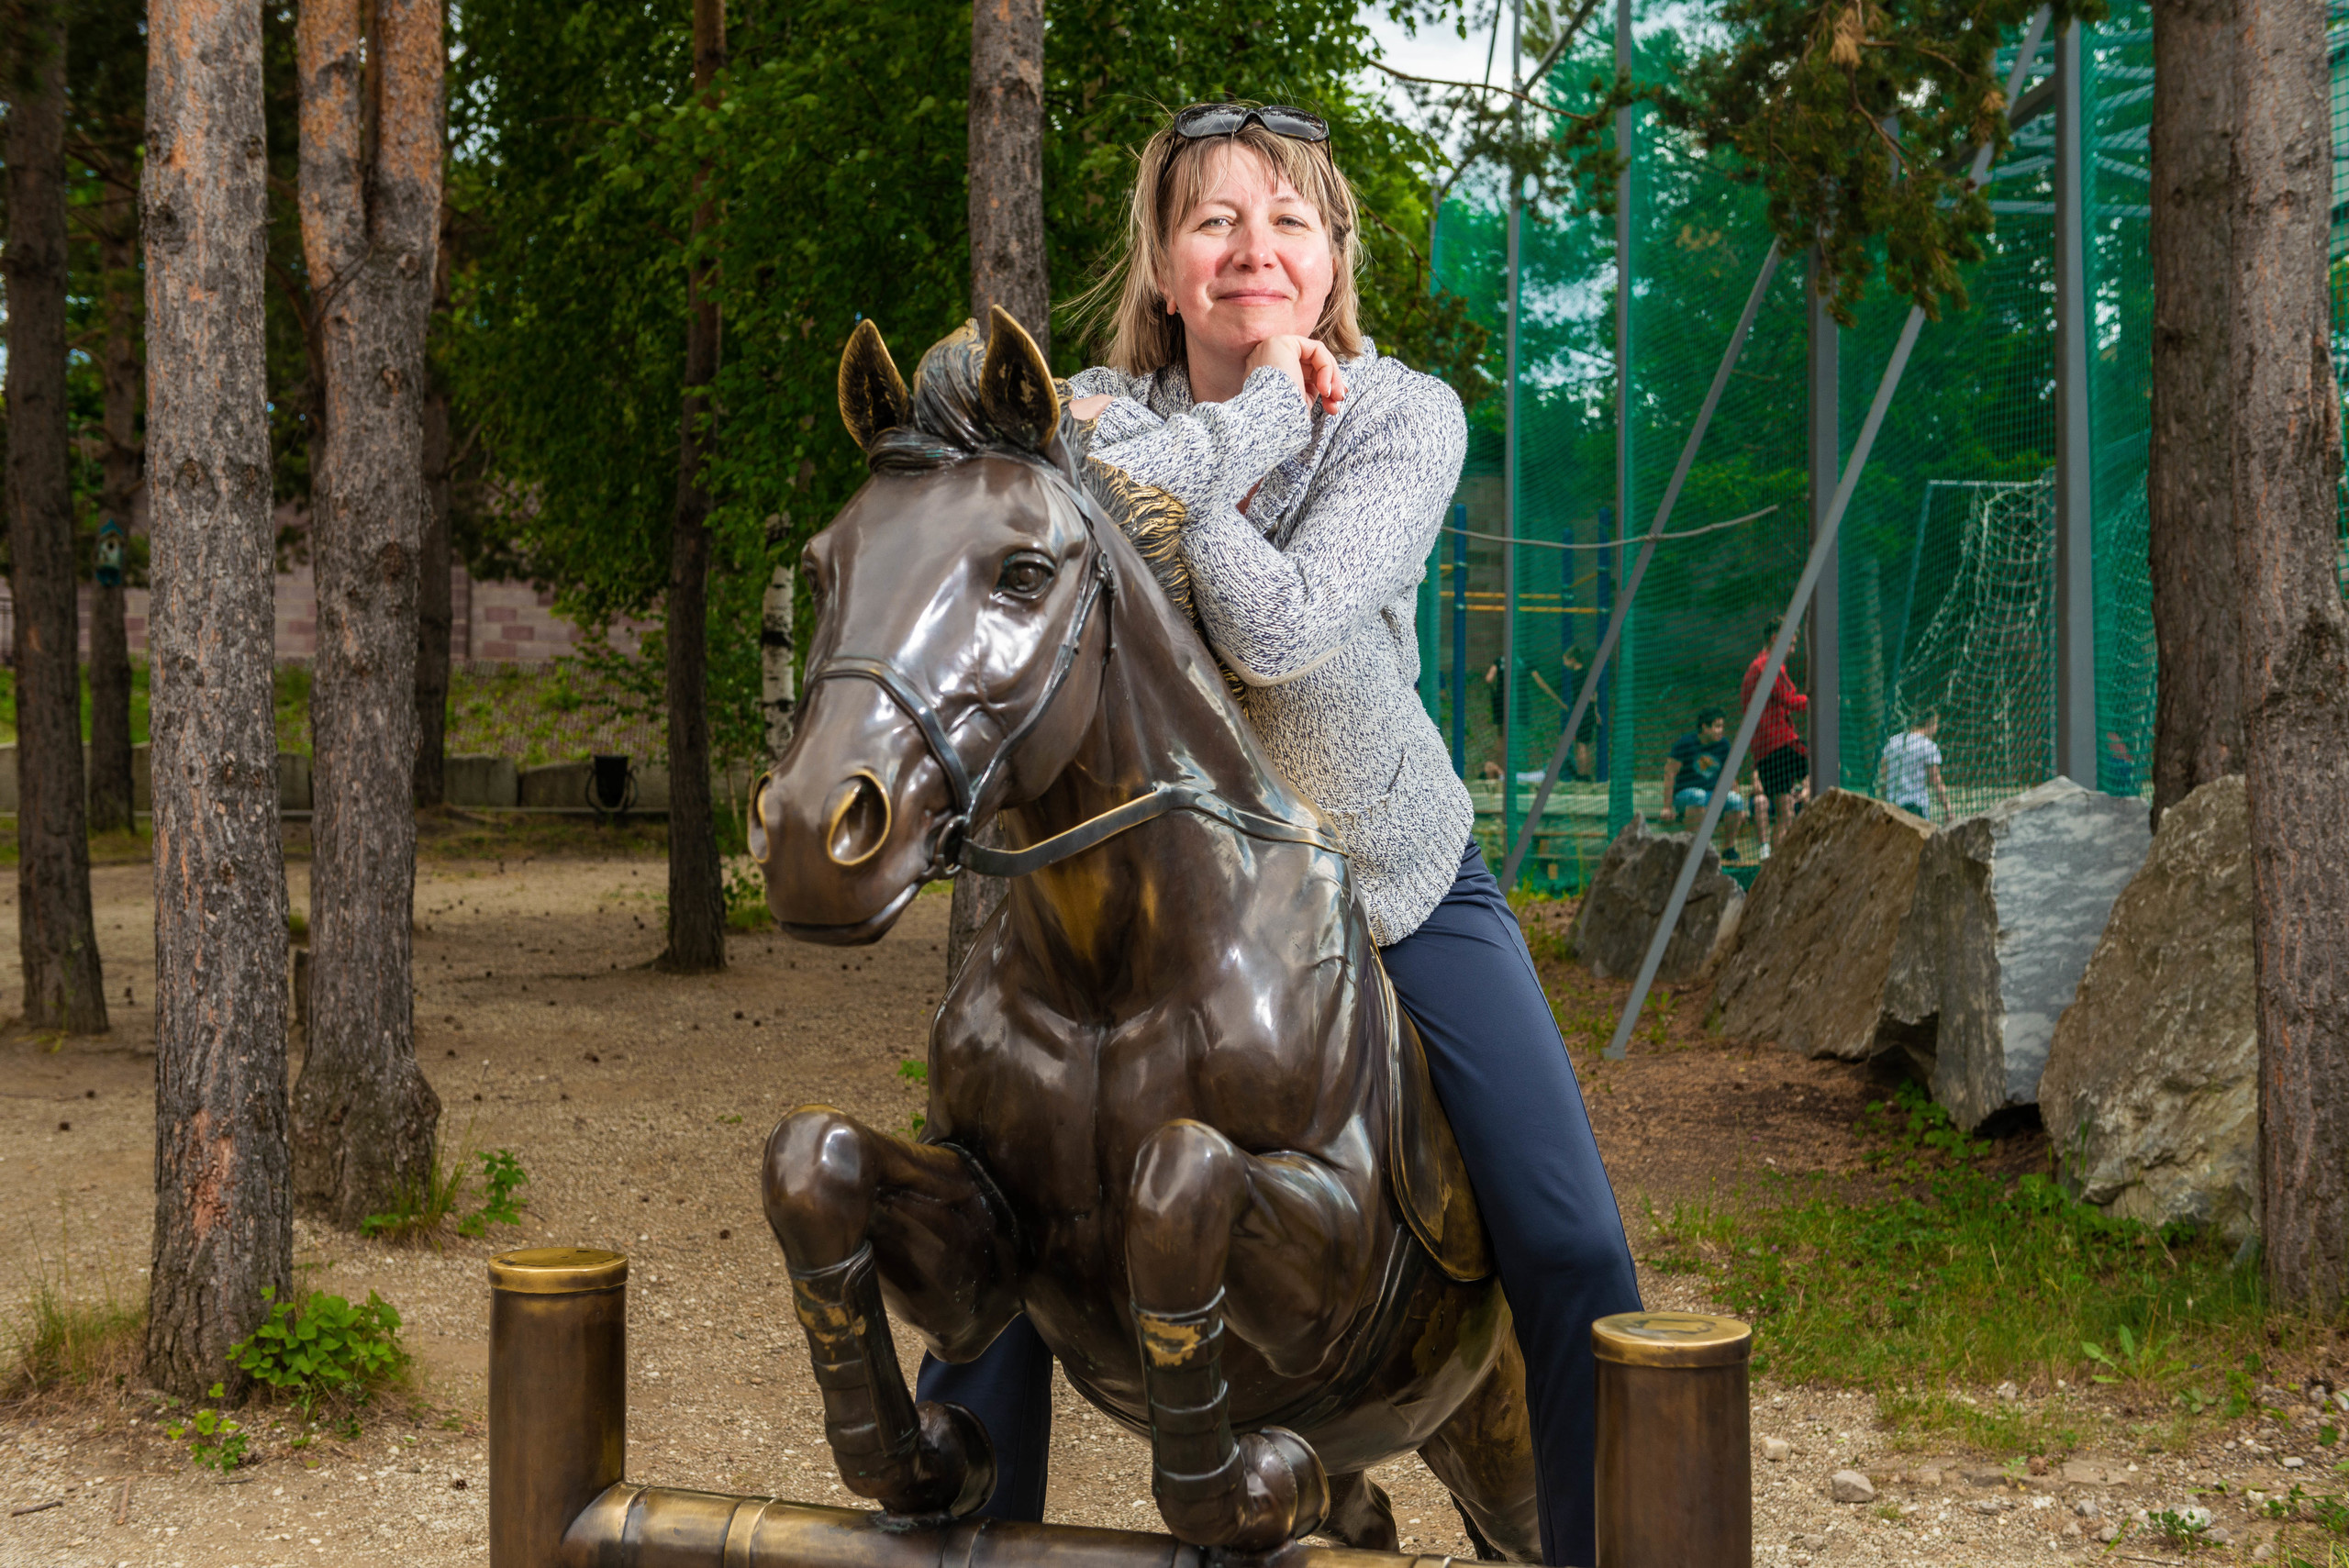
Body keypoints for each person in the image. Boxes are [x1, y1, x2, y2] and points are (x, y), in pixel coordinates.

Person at [930, 101, 1642, 1567]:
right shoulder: (1087, 404)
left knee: (1572, 1241)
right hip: (1149, 901)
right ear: (1163, 265)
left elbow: (1281, 632)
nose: (1254, 248)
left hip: (1380, 867)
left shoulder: (1401, 413)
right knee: (993, 1200)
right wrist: (1253, 413)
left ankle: (1607, 1543)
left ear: (1332, 260)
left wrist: (1183, 465)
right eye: (1214, 221)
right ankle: (964, 1531)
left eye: (1289, 221)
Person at [1742, 615, 1809, 851]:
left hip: (1762, 753)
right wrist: (1820, 700)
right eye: (1790, 643)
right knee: (1826, 762)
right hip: (1779, 743)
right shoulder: (1768, 664)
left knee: (1785, 813)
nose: (1792, 650)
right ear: (1775, 638)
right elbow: (1789, 699)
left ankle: (1776, 861)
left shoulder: (1755, 667)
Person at [1663, 706, 1758, 858]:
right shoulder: (1685, 743)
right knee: (1698, 796)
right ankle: (1694, 847)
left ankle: (1729, 849)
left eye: (1722, 726)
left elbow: (1730, 776)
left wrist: (1740, 807)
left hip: (1714, 796)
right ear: (1705, 727)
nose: (1721, 730)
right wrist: (1667, 808)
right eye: (1717, 726)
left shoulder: (1723, 745)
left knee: (1735, 800)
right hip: (1686, 796)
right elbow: (1670, 772)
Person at [1528, 645, 1601, 782]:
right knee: (1583, 744)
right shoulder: (1587, 673)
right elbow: (1594, 694)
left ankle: (1583, 775)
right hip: (1588, 712)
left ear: (1573, 660)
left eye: (1565, 661)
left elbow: (1589, 696)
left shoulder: (1578, 676)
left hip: (1582, 713)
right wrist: (1595, 711)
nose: (1564, 664)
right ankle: (1584, 774)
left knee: (1581, 745)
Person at [1877, 710, 1953, 822]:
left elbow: (1883, 776)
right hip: (1917, 808)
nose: (1936, 729)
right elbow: (1935, 779)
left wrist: (1885, 804)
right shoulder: (1928, 746)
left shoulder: (1892, 742)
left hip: (1894, 807)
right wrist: (1947, 808)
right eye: (1936, 724)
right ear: (1930, 723)